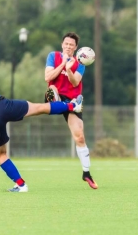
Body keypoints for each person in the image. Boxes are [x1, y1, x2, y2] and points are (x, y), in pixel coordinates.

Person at [0, 55, 83, 192]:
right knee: (38, 108)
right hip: (3, 106)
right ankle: (72, 105)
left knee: (1, 155)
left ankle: (21, 185)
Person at [44, 32, 98, 189]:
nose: (68, 47)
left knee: (80, 137)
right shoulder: (53, 56)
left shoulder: (81, 62)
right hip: (54, 95)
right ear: (62, 45)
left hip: (72, 98)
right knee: (52, 89)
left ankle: (86, 173)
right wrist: (62, 64)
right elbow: (47, 77)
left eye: (71, 45)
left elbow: (75, 83)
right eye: (66, 44)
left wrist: (68, 69)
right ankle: (68, 105)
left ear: (75, 48)